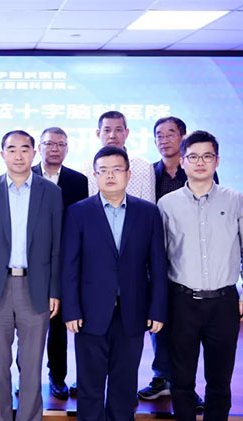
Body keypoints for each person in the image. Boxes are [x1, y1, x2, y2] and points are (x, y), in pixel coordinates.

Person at [158, 131, 243, 421]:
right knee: (181, 381)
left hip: (223, 303)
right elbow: (158, 257)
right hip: (181, 302)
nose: (200, 162)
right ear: (182, 161)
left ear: (217, 160)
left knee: (219, 381)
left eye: (207, 156)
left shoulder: (236, 200)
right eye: (193, 156)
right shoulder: (167, 204)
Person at [62, 146, 168, 420]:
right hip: (89, 312)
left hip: (133, 311)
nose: (110, 176)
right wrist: (71, 309)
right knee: (89, 385)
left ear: (128, 174)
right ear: (95, 175)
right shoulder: (78, 212)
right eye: (103, 171)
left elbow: (158, 265)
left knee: (124, 384)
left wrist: (157, 309)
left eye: (117, 170)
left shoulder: (147, 213)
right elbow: (70, 265)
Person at [0, 130, 62, 421]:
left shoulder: (51, 192)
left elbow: (57, 245)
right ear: (2, 154)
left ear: (34, 153)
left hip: (36, 288)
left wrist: (55, 289)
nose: (19, 155)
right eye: (12, 149)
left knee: (32, 365)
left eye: (25, 149)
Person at [140, 117, 217, 409]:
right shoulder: (149, 173)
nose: (164, 140)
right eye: (159, 135)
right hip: (155, 258)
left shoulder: (197, 172)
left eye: (170, 134)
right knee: (158, 319)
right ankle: (162, 378)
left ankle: (185, 386)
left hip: (189, 260)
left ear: (182, 137)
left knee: (186, 330)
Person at [31, 126, 88, 400]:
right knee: (28, 324)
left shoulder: (78, 181)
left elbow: (81, 224)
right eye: (49, 144)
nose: (55, 149)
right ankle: (27, 377)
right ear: (39, 148)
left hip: (64, 262)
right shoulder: (25, 175)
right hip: (30, 262)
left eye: (60, 144)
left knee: (58, 324)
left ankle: (57, 377)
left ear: (67, 148)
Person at [81, 111, 155, 203]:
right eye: (107, 130)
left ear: (126, 133)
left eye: (118, 130)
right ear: (98, 133)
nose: (112, 136)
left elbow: (149, 206)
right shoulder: (86, 168)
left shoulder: (144, 166)